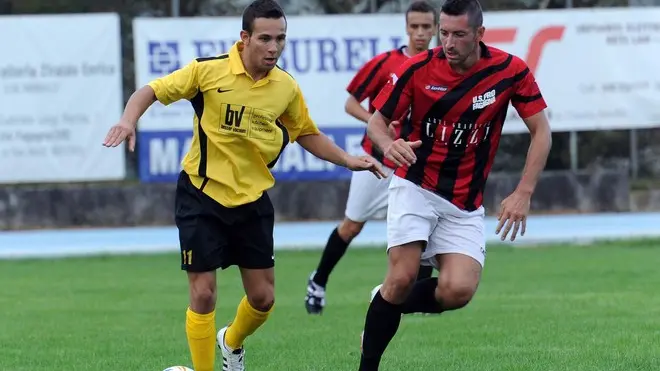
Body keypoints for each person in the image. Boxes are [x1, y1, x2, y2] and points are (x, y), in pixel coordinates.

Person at [103, 1, 386, 371]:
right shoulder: (208, 72)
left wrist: (348, 160)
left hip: (252, 200)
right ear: (244, 38)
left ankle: (231, 341)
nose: (273, 47)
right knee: (203, 293)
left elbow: (305, 133)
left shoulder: (284, 87)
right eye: (265, 38)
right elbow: (151, 91)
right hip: (201, 195)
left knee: (264, 299)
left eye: (280, 39)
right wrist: (128, 120)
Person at [357, 0, 552, 369]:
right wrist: (387, 145)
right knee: (401, 277)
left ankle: (383, 301)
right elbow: (376, 124)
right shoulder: (416, 68)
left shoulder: (510, 71)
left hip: (463, 201)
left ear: (480, 34)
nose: (448, 41)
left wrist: (523, 192)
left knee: (458, 291)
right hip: (415, 184)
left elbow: (541, 131)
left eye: (459, 34)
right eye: (443, 32)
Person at [304, 0, 439, 316]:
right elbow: (351, 103)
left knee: (423, 231)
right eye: (414, 26)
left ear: (435, 29)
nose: (420, 33)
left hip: (417, 167)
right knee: (351, 227)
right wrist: (376, 123)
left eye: (426, 27)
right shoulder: (386, 63)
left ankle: (411, 301)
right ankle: (318, 281)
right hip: (376, 162)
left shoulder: (442, 66)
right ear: (406, 28)